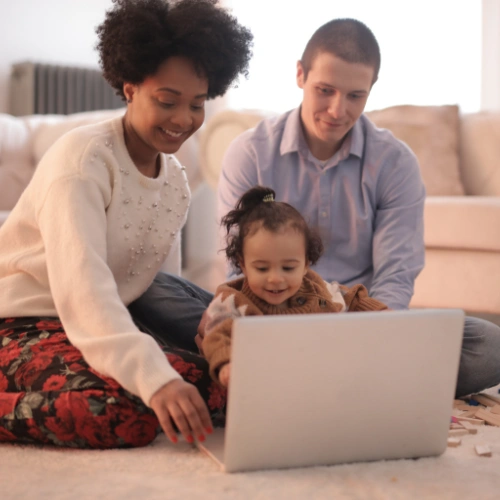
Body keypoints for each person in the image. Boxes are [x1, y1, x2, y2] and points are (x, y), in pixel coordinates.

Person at [0, 0, 252, 448]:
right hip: (24, 322)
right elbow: (84, 290)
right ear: (130, 86)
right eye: (167, 101)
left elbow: (156, 285)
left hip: (105, 320)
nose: (183, 120)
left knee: (222, 387)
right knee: (121, 410)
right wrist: (156, 379)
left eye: (197, 104)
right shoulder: (82, 161)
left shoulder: (174, 180)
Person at [216, 18, 500, 398]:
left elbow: (397, 274)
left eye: (355, 96)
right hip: (269, 314)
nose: (337, 110)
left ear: (371, 91)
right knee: (175, 301)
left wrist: (365, 338)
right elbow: (236, 264)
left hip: (358, 321)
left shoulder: (396, 163)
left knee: (489, 345)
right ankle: (357, 383)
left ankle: (311, 379)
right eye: (325, 90)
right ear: (300, 75)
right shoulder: (250, 152)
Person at [196, 186, 388, 387]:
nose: (275, 279)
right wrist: (227, 363)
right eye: (262, 269)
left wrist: (382, 313)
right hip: (261, 383)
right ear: (243, 264)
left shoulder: (316, 290)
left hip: (318, 379)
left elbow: (351, 298)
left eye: (288, 268)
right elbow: (216, 334)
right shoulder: (232, 301)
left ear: (306, 264)